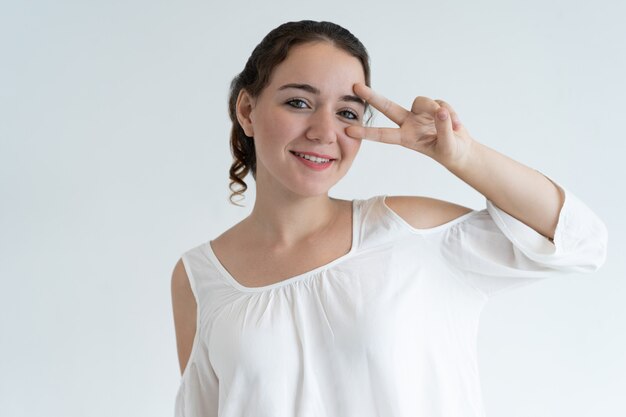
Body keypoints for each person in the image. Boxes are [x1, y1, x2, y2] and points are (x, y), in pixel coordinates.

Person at [171, 20, 607, 417]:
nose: (324, 132)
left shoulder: (409, 232)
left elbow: (580, 242)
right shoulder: (198, 277)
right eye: (299, 102)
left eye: (346, 112)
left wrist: (464, 157)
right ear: (247, 110)